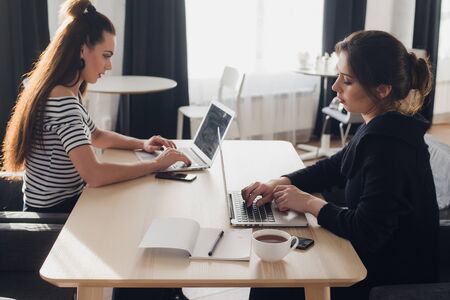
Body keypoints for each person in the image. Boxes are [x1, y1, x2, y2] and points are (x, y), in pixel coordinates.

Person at [1, 1, 189, 299]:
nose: (109, 65)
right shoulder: (62, 103)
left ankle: (165, 293)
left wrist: (142, 144)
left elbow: (96, 134)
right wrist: (156, 165)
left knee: (137, 206)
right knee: (141, 226)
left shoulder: (57, 89)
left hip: (55, 206)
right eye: (106, 56)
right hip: (58, 218)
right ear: (82, 50)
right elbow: (95, 175)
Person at [242, 30, 439, 299]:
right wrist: (282, 181)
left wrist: (310, 203)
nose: (335, 87)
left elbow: (366, 231)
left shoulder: (389, 147)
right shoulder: (382, 126)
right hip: (376, 257)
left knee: (272, 285)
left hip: (388, 277)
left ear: (382, 89)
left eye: (346, 80)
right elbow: (335, 166)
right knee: (273, 276)